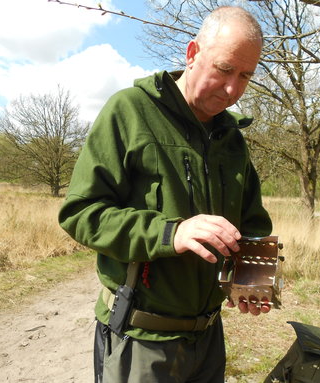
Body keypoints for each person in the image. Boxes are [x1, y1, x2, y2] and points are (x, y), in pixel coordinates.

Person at [58, 6, 272, 383]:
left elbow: (252, 222)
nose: (232, 89)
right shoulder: (130, 111)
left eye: (245, 76)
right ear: (192, 54)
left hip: (207, 340)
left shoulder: (232, 140)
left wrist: (250, 278)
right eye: (224, 69)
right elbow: (81, 213)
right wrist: (171, 233)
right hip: (141, 340)